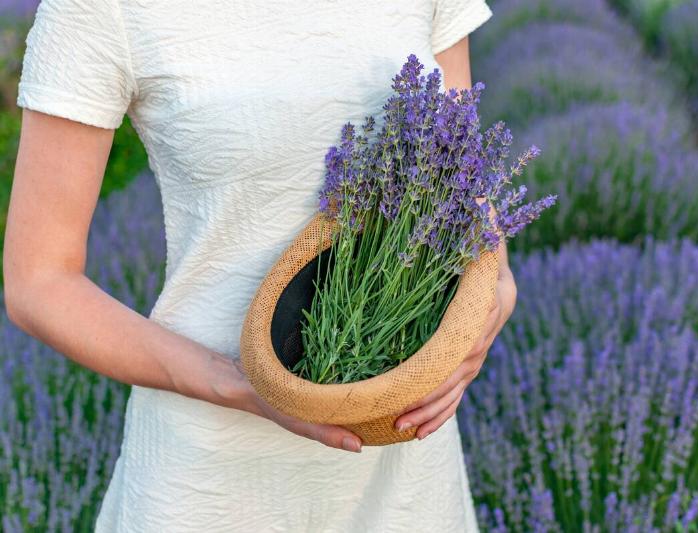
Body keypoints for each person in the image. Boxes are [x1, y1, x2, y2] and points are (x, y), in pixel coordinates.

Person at [3, 0, 521, 530]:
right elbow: (39, 281)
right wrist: (241, 384)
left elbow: (460, 174)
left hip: (404, 459)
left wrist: (494, 293)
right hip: (212, 477)